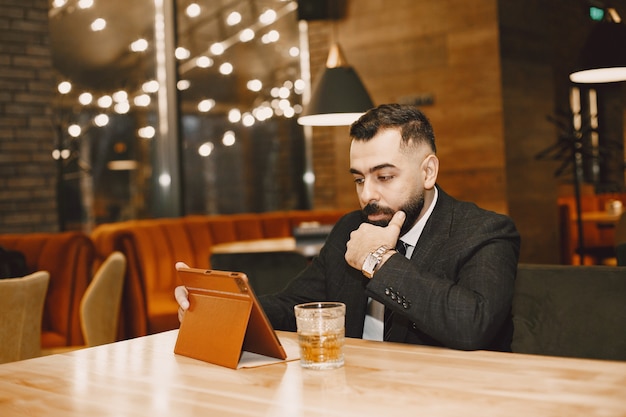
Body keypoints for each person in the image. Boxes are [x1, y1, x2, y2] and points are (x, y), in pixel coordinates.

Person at [175, 103, 520, 351]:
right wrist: (222, 311)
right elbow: (297, 305)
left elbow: (473, 325)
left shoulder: (485, 231)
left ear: (428, 172)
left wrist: (378, 260)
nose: (368, 194)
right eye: (359, 179)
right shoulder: (350, 228)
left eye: (384, 176)